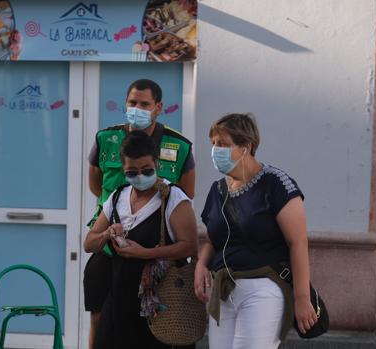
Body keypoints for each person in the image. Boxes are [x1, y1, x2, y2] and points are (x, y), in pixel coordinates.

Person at [84, 79, 196, 348]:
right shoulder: (106, 139)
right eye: (132, 103)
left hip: (156, 260)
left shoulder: (178, 146)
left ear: (158, 107)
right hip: (111, 249)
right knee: (103, 319)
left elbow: (187, 193)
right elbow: (95, 185)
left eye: (144, 104)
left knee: (152, 328)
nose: (137, 108)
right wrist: (114, 222)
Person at [194, 113, 318, 348]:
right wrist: (201, 264)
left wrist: (302, 298)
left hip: (263, 289)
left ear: (245, 147)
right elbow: (212, 238)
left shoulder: (276, 183)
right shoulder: (218, 189)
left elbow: (298, 242)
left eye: (223, 144)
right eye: (213, 144)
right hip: (224, 291)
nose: (215, 150)